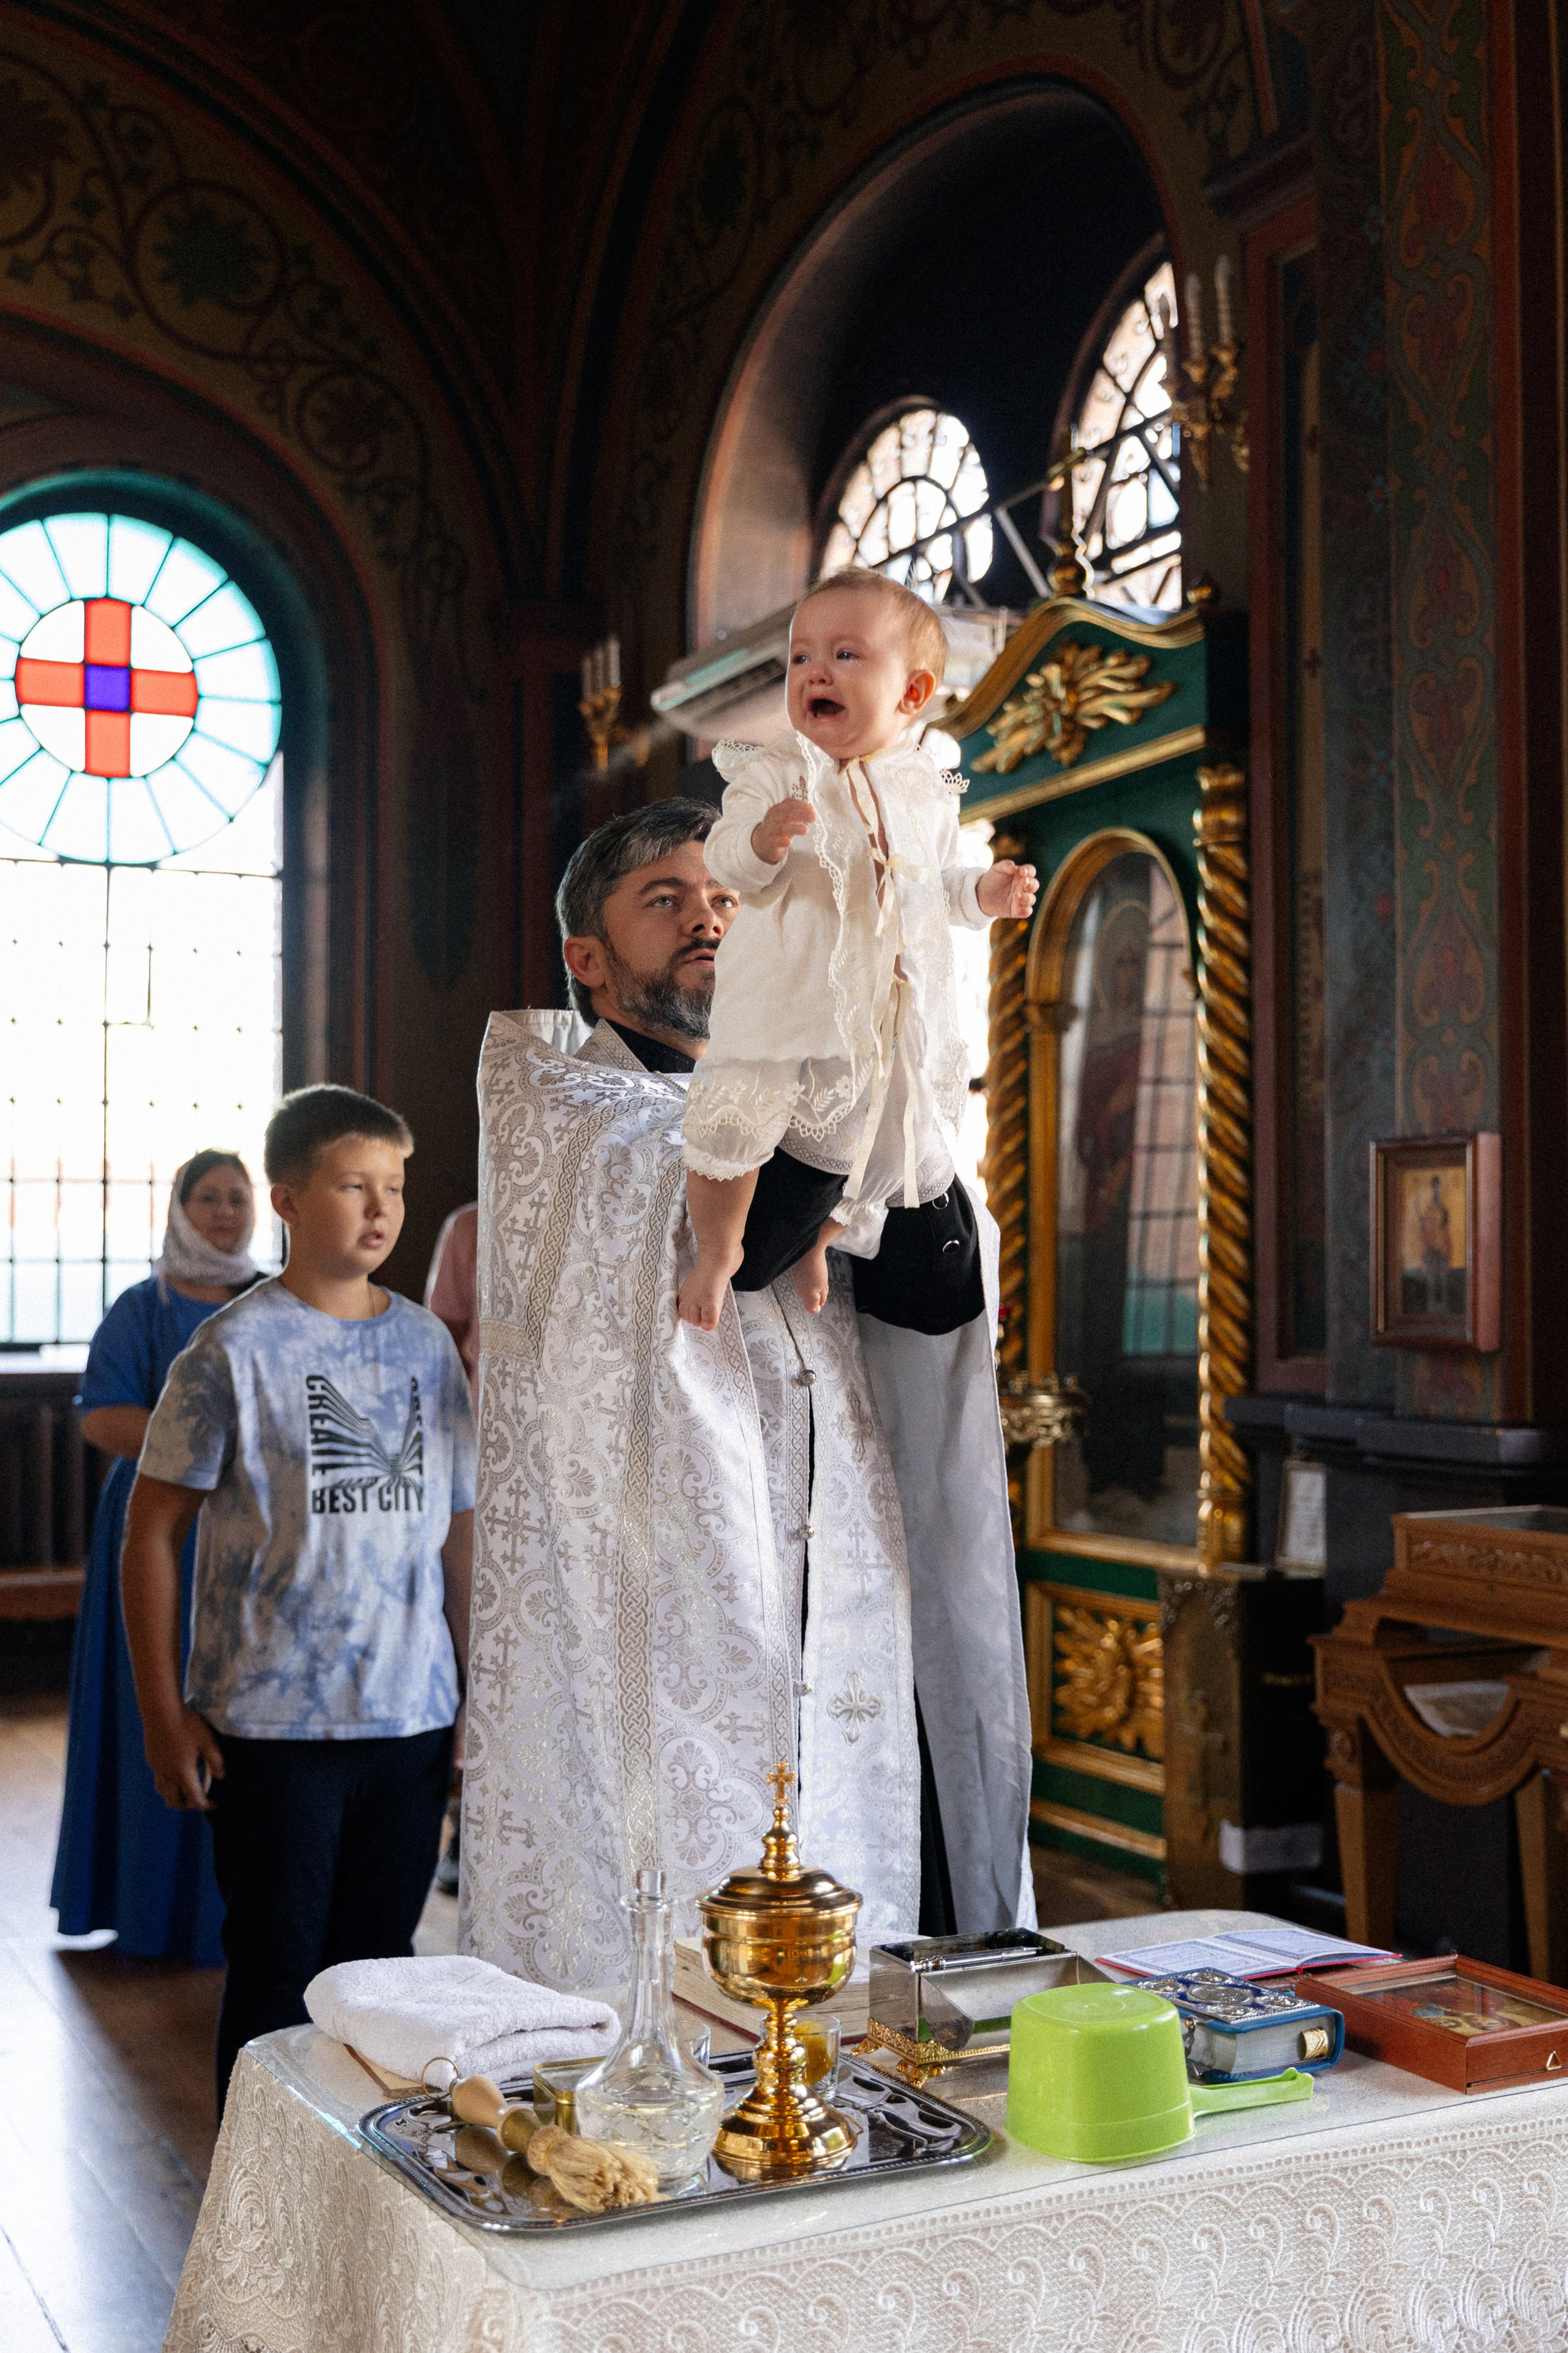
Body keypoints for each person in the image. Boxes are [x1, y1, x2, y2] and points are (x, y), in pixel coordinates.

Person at [461, 800, 1034, 1998]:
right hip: (673, 1615)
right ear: (589, 959)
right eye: (664, 903)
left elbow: (936, 1292)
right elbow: (752, 1237)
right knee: (686, 1984)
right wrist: (855, 1052)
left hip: (854, 1595)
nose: (706, 921)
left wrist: (886, 1091)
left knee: (887, 1951)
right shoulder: (562, 1108)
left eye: (726, 900)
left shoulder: (808, 1095)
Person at [118, 1086, 476, 2105]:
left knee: (384, 1977)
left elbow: (456, 1523)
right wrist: (161, 1714)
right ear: (287, 1197)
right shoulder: (232, 1349)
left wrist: (471, 1692)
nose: (380, 1209)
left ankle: (368, 2218)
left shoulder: (424, 1345)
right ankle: (260, 2230)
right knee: (279, 1981)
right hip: (272, 1727)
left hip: (409, 1718)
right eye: (352, 1185)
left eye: (395, 1189)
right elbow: (151, 1532)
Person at [677, 570, 1038, 1328]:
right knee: (737, 1129)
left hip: (878, 1022)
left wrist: (983, 895)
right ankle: (715, 1253)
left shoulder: (925, 791)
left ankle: (823, 1242)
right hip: (784, 1005)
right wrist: (762, 841)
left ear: (911, 694)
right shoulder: (776, 770)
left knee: (870, 1151)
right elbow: (724, 859)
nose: (815, 671)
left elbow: (934, 891)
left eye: (846, 655)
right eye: (800, 657)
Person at [51, 1153, 260, 1963]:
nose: (222, 1211)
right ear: (179, 1209)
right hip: (159, 1530)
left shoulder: (273, 1298)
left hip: (254, 1530)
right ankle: (148, 1909)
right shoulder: (146, 1305)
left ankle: (241, 1911)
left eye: (235, 1198)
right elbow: (102, 1415)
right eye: (206, 1197)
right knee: (164, 1698)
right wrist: (204, 1448)